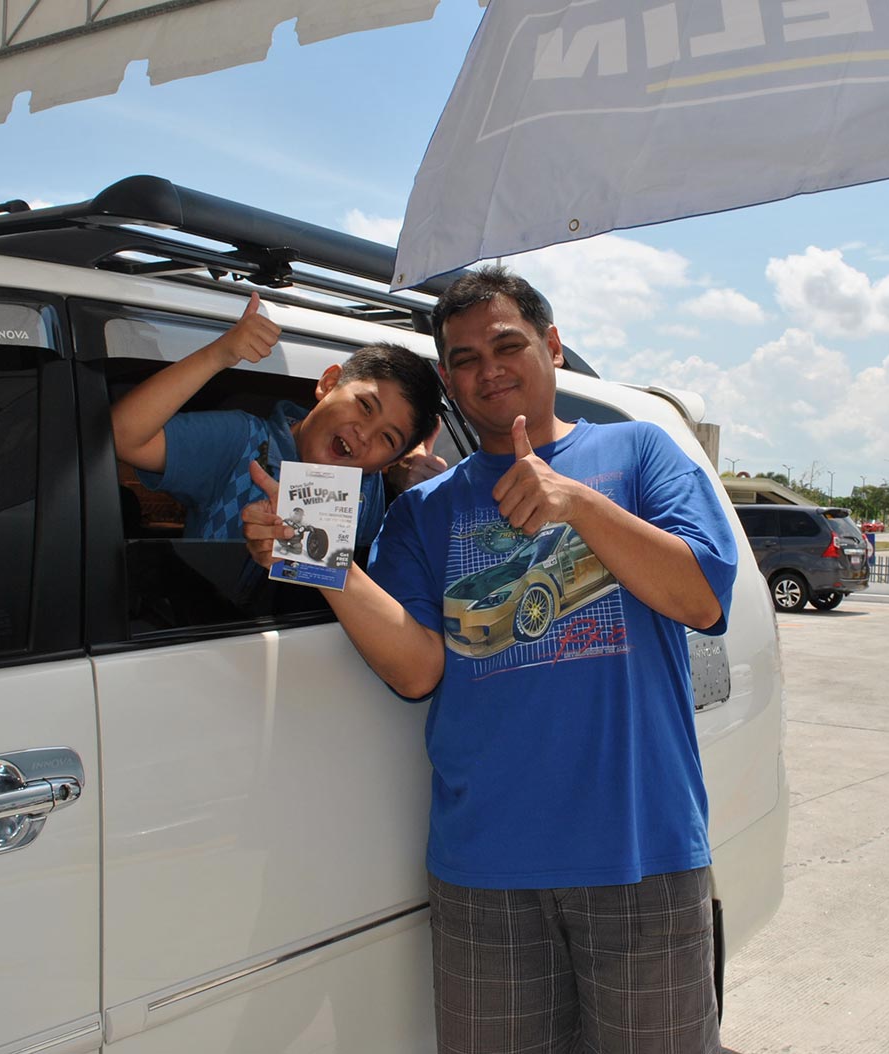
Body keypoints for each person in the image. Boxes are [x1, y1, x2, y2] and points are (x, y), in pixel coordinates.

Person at [242, 267, 737, 1054]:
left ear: (552, 346)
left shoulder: (638, 450)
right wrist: (309, 554)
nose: (489, 368)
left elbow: (702, 597)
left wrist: (576, 501)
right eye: (465, 358)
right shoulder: (423, 511)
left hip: (639, 852)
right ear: (447, 377)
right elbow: (417, 671)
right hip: (485, 869)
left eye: (507, 344)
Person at [111, 291, 445, 546]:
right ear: (329, 384)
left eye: (387, 438)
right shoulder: (242, 444)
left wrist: (408, 482)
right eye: (366, 406)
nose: (364, 434)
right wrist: (218, 355)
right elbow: (124, 436)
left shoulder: (368, 488)